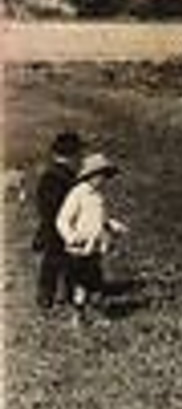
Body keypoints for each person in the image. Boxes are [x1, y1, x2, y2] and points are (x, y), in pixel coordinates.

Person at [55, 152, 127, 325]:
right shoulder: (78, 194)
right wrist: (71, 237)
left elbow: (101, 219)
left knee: (93, 282)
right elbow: (62, 219)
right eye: (101, 176)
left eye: (105, 177)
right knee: (82, 283)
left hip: (94, 247)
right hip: (79, 248)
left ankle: (91, 314)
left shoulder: (98, 196)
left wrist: (113, 225)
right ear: (92, 175)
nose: (103, 180)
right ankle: (79, 316)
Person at [32, 131, 84, 310]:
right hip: (59, 227)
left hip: (51, 226)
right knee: (60, 262)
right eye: (78, 155)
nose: (80, 160)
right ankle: (54, 297)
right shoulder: (61, 177)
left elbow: (44, 205)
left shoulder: (51, 175)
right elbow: (56, 206)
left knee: (53, 263)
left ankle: (49, 296)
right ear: (73, 155)